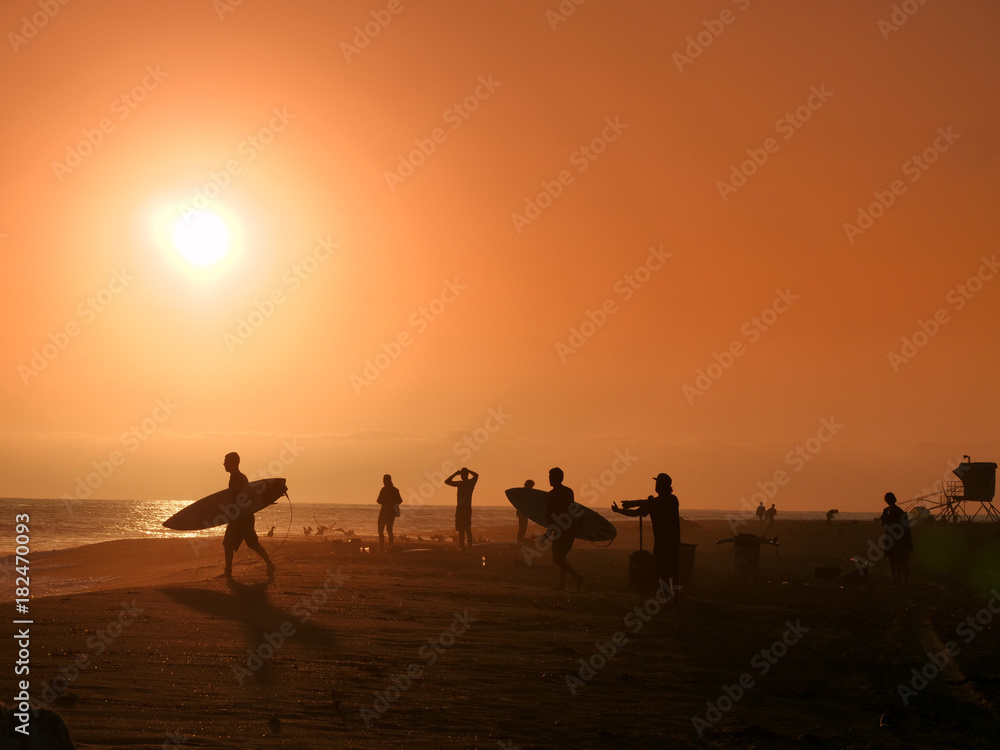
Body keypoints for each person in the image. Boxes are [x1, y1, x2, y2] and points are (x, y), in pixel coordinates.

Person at [612, 473, 681, 599]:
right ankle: (675, 599)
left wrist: (619, 511)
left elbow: (636, 513)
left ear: (659, 486)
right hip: (674, 540)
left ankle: (666, 597)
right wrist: (646, 503)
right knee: (673, 571)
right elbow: (653, 503)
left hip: (661, 541)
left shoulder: (655, 503)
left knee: (662, 570)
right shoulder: (673, 499)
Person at [222, 452, 274, 579]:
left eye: (226, 461)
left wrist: (233, 512)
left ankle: (228, 572)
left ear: (233, 463)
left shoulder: (239, 478)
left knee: (247, 543)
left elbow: (245, 497)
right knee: (232, 543)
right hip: (240, 517)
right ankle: (228, 571)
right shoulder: (235, 477)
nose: (223, 463)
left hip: (242, 518)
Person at [546, 467, 583, 591]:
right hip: (569, 528)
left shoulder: (551, 495)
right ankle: (562, 584)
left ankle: (577, 577)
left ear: (557, 478)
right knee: (561, 558)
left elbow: (549, 515)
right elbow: (572, 510)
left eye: (551, 477)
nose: (549, 479)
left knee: (557, 559)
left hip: (561, 530)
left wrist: (548, 531)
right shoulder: (568, 492)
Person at [880, 492, 913, 584]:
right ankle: (897, 580)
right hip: (894, 539)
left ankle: (896, 580)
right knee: (895, 560)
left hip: (896, 539)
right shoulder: (894, 511)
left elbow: (884, 524)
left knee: (896, 561)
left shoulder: (894, 511)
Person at [445, 467, 479, 551]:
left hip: (465, 507)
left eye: (463, 474)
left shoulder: (470, 483)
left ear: (465, 475)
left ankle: (469, 547)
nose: (462, 476)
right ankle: (462, 546)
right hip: (461, 507)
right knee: (461, 529)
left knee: (466, 529)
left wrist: (465, 471)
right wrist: (456, 474)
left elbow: (476, 475)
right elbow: (447, 481)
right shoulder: (461, 483)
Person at [376, 474, 402, 551]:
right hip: (391, 513)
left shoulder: (384, 490)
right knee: (389, 530)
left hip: (384, 512)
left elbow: (378, 500)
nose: (383, 481)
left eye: (384, 480)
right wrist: (393, 503)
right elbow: (400, 500)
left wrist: (387, 502)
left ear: (387, 481)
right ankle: (390, 546)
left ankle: (382, 546)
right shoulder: (395, 490)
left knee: (381, 529)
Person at [516, 479, 534, 544]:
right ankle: (520, 540)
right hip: (522, 512)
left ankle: (521, 539)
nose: (532, 488)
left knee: (523, 527)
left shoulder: (524, 492)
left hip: (524, 512)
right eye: (531, 486)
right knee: (522, 527)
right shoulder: (523, 492)